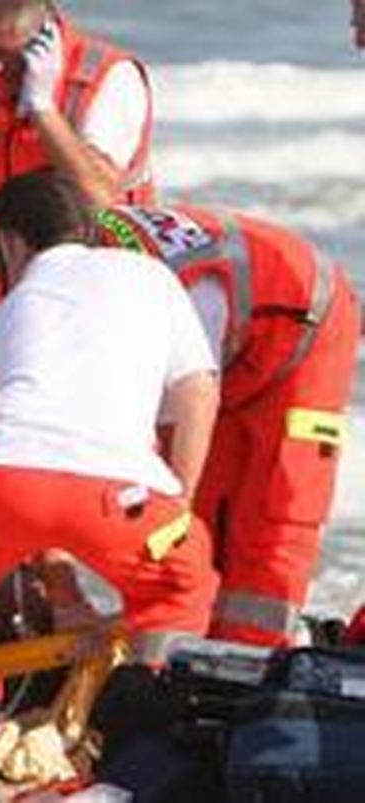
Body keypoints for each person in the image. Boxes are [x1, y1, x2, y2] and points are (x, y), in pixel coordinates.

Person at [0, 169, 219, 756]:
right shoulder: (150, 275)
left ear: (14, 241)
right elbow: (198, 394)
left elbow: (28, 461)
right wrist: (179, 503)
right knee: (180, 584)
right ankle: (146, 735)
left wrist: (65, 591)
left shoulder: (10, 310)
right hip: (119, 496)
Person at [93, 204, 360, 647]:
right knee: (209, 515)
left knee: (275, 515)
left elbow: (179, 423)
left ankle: (250, 663)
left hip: (309, 332)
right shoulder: (78, 273)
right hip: (237, 347)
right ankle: (192, 646)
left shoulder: (173, 299)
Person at [0, 0, 155, 370]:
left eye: (4, 53)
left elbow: (100, 196)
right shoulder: (0, 81)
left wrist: (43, 109)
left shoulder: (109, 80)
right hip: (12, 313)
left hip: (92, 314)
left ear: (42, 32)